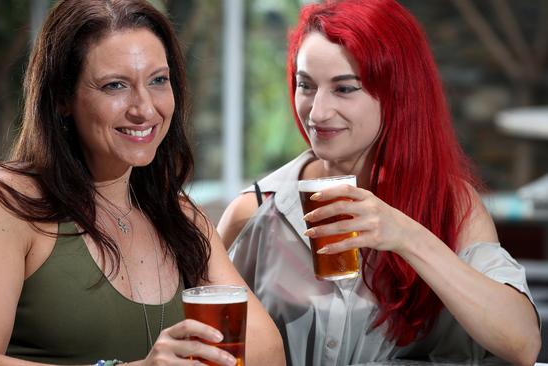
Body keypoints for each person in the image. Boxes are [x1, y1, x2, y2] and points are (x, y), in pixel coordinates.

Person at [0, 0, 285, 365]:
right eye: (115, 86)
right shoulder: (0, 202)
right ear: (62, 98)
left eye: (158, 80)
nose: (144, 108)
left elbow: (268, 353)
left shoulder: (181, 218)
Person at [217, 0, 541, 365]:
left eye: (344, 89)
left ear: (397, 93)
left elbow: (522, 343)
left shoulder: (452, 206)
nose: (317, 112)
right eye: (305, 85)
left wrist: (406, 235)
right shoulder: (257, 210)